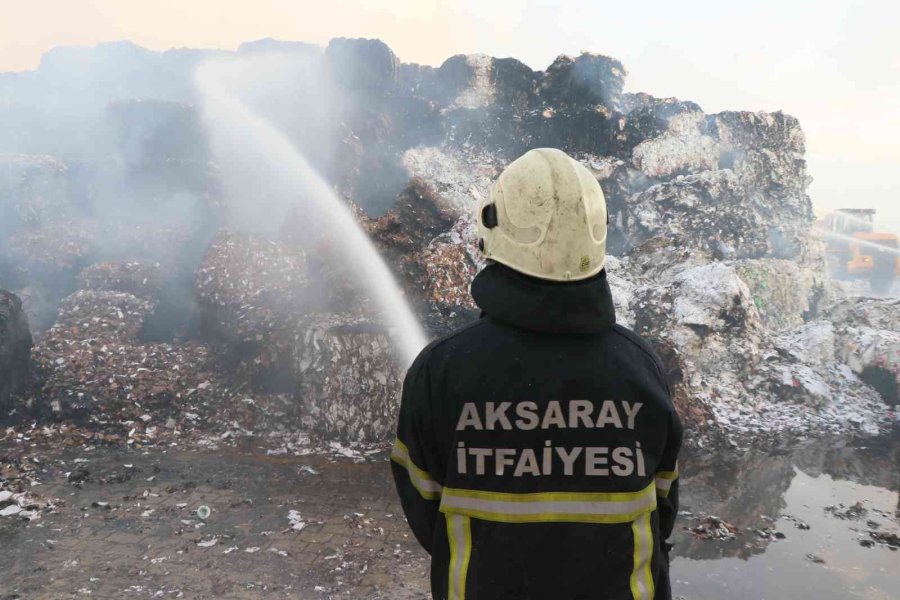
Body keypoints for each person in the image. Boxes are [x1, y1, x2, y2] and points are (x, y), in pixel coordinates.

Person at [390, 147, 682, 600]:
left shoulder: (442, 372)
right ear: (598, 236)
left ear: (494, 228)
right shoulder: (639, 369)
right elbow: (663, 505)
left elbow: (425, 509)